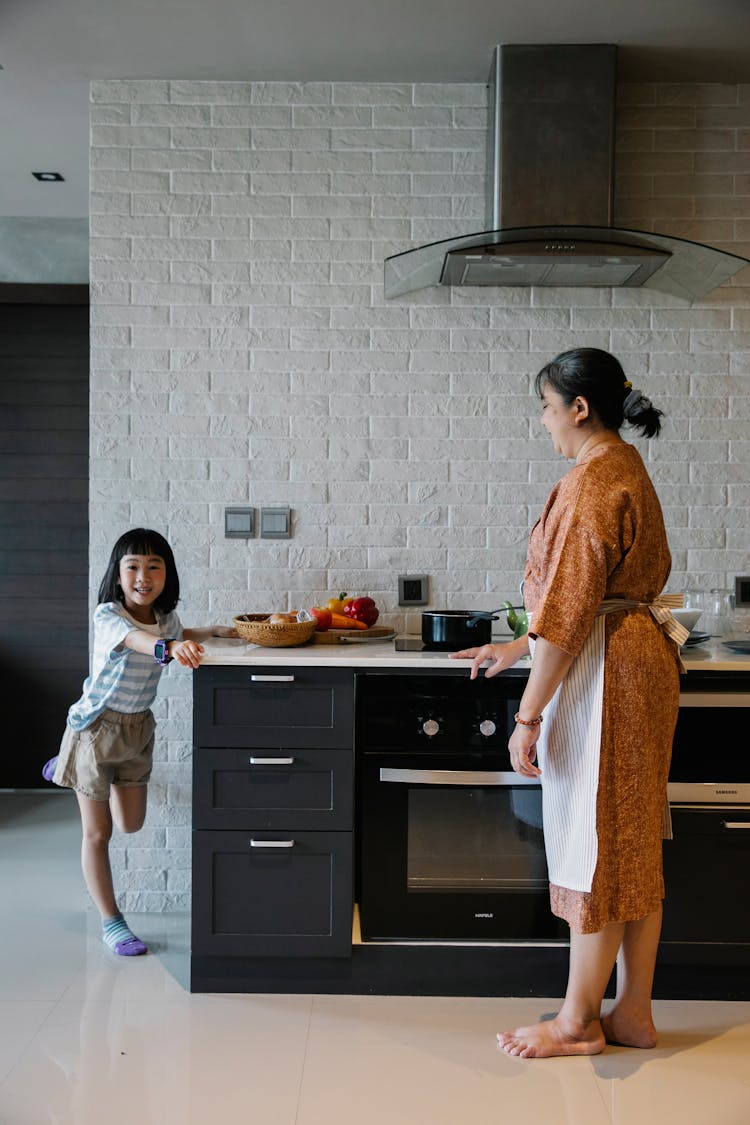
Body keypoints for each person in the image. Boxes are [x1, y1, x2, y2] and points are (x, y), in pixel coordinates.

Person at [451, 348, 687, 1059]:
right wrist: (519, 648)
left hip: (608, 674)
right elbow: (583, 603)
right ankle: (632, 1012)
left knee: (594, 842)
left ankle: (578, 1020)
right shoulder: (623, 468)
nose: (543, 421)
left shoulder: (591, 481)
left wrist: (526, 716)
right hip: (633, 660)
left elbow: (573, 609)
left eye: (547, 407)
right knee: (631, 836)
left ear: (578, 409)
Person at [43, 528, 237, 957]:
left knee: (131, 824)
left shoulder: (167, 620)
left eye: (154, 566)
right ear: (117, 574)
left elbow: (179, 633)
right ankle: (113, 922)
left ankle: (64, 767)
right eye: (132, 566)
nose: (143, 576)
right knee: (100, 833)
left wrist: (218, 632)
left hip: (138, 731)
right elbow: (139, 641)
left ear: (167, 574)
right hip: (95, 730)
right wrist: (168, 648)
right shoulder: (109, 616)